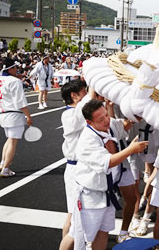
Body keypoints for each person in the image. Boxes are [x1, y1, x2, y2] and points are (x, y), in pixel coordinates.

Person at [68, 99, 148, 249]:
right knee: (76, 235)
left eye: (106, 115)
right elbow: (108, 161)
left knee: (103, 232)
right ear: (89, 122)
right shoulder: (87, 140)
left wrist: (136, 113)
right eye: (101, 119)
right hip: (90, 196)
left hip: (107, 193)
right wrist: (131, 150)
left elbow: (123, 125)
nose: (106, 120)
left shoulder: (108, 125)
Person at [58, 79, 94, 250]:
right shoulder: (69, 114)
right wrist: (94, 84)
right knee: (73, 216)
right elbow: (87, 105)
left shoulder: (77, 111)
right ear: (74, 95)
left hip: (85, 168)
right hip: (75, 169)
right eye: (83, 91)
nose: (86, 94)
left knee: (83, 214)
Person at [0, 58, 32, 177]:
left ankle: (2, 163)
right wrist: (28, 116)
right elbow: (20, 102)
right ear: (10, 69)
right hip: (14, 115)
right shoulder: (15, 81)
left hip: (2, 113)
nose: (17, 69)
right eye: (15, 67)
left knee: (9, 140)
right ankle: (5, 169)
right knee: (13, 142)